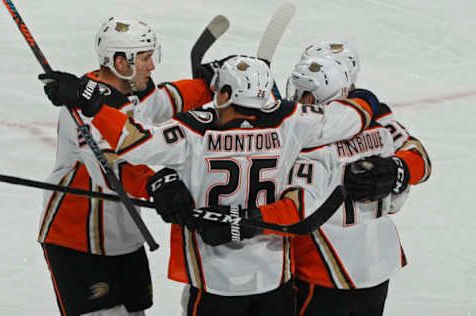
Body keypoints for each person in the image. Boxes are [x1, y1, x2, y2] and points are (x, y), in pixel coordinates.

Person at [43, 54, 380, 315]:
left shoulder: (195, 131)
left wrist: (92, 103)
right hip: (275, 281)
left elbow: (132, 140)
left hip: (213, 282)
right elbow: (350, 118)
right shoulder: (293, 122)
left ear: (226, 93)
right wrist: (365, 97)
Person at [37, 17, 211, 316]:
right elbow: (109, 170)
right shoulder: (82, 107)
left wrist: (212, 85)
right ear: (120, 62)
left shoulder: (134, 92)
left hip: (124, 237)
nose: (152, 66)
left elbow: (167, 100)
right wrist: (154, 184)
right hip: (76, 237)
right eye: (145, 58)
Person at [286, 42, 432, 316]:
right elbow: (412, 171)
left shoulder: (301, 132)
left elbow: (421, 160)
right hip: (375, 264)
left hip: (322, 265)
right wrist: (396, 172)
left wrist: (397, 170)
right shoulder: (376, 127)